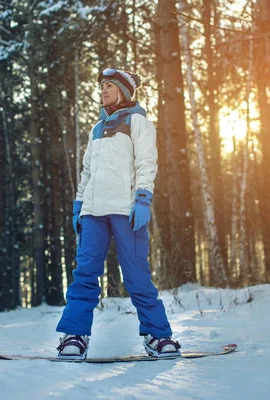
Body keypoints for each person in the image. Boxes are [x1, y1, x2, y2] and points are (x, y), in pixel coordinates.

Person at [55, 67, 181, 360]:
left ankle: (157, 336)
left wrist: (143, 199)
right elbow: (86, 172)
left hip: (126, 211)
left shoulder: (138, 122)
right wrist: (79, 206)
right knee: (84, 274)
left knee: (137, 275)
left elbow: (147, 162)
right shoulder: (95, 130)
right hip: (93, 213)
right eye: (101, 87)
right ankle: (74, 336)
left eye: (109, 85)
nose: (103, 91)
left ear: (123, 91)